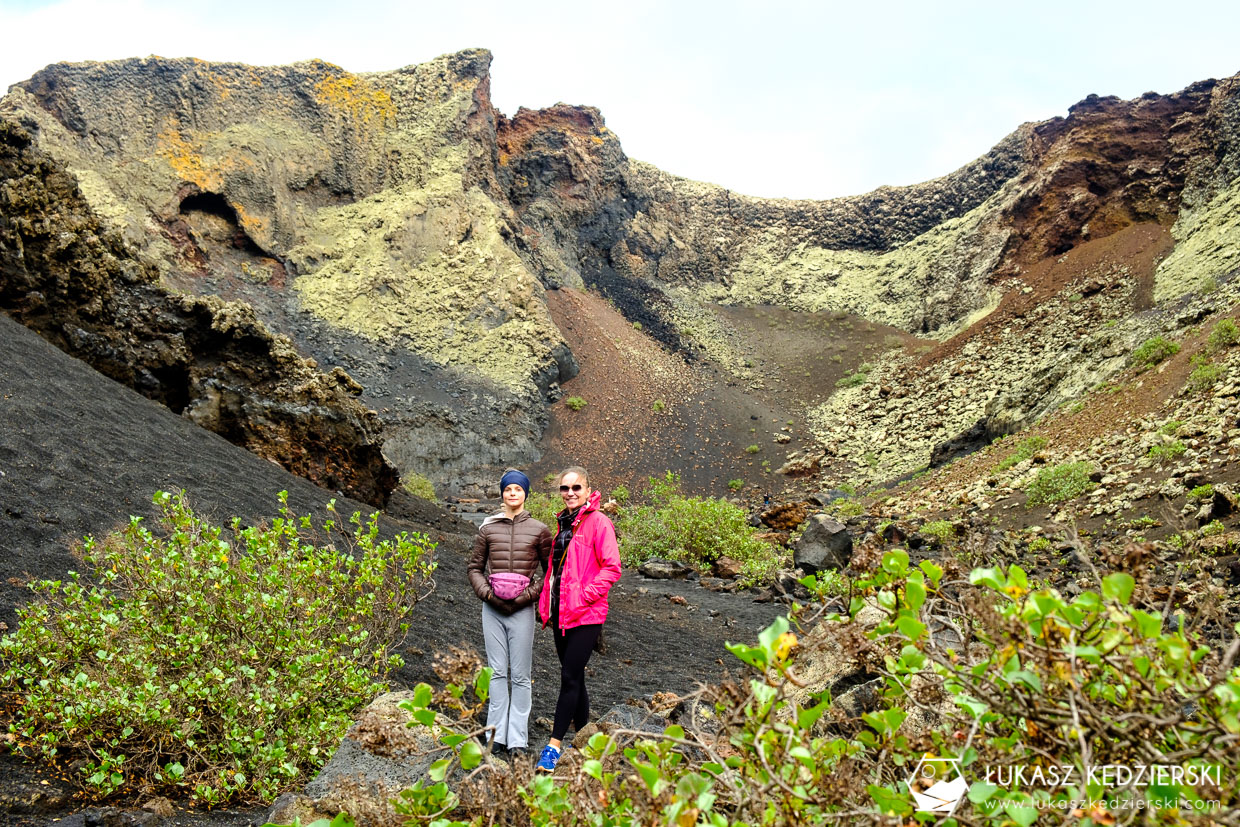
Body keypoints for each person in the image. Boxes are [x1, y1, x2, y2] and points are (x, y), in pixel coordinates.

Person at [534, 465, 622, 773]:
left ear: (587, 490)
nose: (570, 493)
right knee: (576, 677)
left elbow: (612, 567)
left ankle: (553, 746)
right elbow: (556, 571)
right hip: (560, 613)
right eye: (564, 488)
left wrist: (584, 596)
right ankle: (585, 739)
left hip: (586, 614)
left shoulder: (599, 523)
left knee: (569, 677)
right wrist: (546, 603)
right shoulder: (563, 523)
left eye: (576, 488)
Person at [467, 469, 551, 759]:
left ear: (526, 493)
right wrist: (488, 595)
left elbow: (549, 571)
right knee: (497, 673)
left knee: (521, 676)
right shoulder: (487, 529)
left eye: (518, 489)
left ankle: (517, 739)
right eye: (508, 489)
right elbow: (474, 569)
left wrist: (525, 597)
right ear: (501, 493)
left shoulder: (539, 530)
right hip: (491, 609)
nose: (512, 493)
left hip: (522, 610)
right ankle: (495, 735)